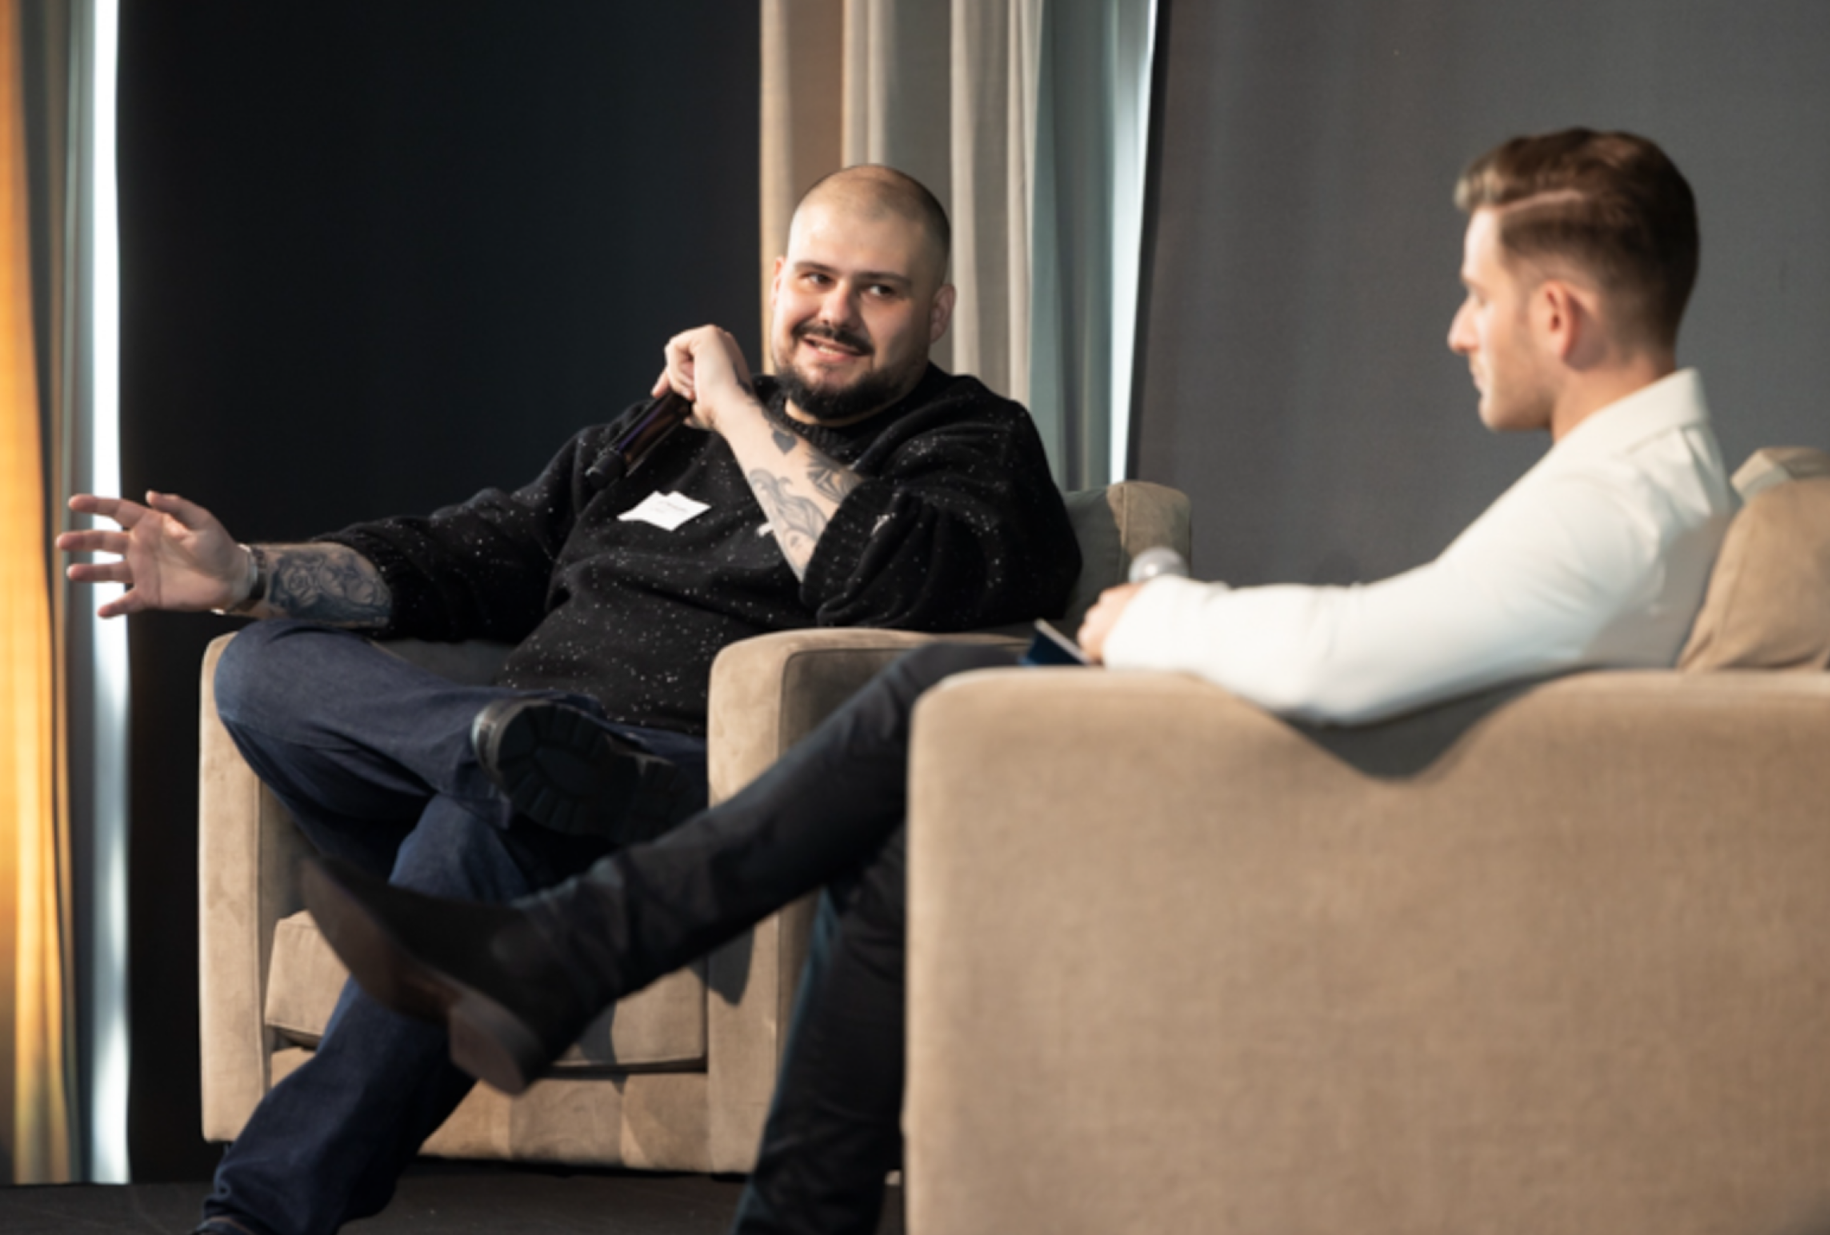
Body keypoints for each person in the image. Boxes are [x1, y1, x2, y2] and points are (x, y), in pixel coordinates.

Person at [299, 128, 1735, 1235]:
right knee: (929, 785)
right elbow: (1402, 633)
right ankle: (782, 1189)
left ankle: (570, 953)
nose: (1456, 329)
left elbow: (1352, 658)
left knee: (942, 702)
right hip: (1337, 797)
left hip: (1327, 829)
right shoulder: (1642, 482)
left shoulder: (1613, 508)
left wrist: (1152, 613)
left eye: (1476, 295)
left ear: (1558, 313)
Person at [58, 165, 1081, 1235]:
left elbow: (884, 576)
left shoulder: (970, 442)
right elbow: (473, 551)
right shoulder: (650, 440)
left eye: (877, 289)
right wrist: (249, 576)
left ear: (939, 308)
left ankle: (254, 1220)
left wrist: (735, 406)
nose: (834, 312)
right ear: (776, 278)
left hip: (685, 800)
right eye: (816, 277)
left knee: (472, 833)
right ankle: (500, 753)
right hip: (522, 757)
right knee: (262, 666)